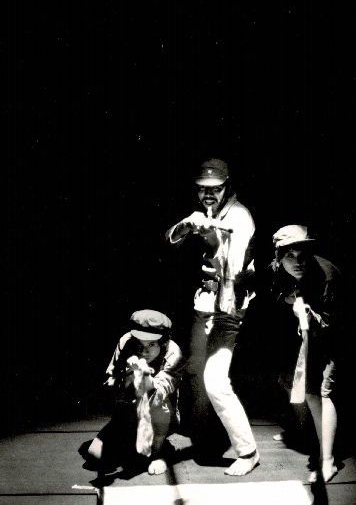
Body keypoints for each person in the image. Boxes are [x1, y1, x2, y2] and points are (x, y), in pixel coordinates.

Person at [166, 157, 260, 476]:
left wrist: (229, 291)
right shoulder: (207, 212)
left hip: (226, 308)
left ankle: (247, 452)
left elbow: (235, 259)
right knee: (194, 370)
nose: (208, 194)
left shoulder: (239, 216)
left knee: (216, 382)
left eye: (215, 189)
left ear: (227, 187)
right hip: (204, 303)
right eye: (202, 189)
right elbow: (170, 239)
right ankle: (203, 432)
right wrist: (187, 225)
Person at [270, 225, 341, 482]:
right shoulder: (277, 269)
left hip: (331, 338)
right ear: (279, 257)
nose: (298, 262)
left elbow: (334, 325)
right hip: (300, 334)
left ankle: (328, 460)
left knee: (318, 392)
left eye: (302, 256)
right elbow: (275, 296)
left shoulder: (326, 276)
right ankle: (304, 434)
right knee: (290, 382)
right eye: (290, 256)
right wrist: (288, 299)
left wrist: (311, 316)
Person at [83, 309, 185, 476]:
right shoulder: (125, 342)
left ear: (163, 342)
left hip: (159, 415)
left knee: (159, 405)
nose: (144, 351)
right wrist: (125, 379)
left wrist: (144, 376)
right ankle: (135, 442)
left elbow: (160, 394)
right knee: (95, 455)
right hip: (127, 412)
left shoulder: (174, 353)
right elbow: (110, 388)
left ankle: (158, 451)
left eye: (151, 344)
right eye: (139, 344)